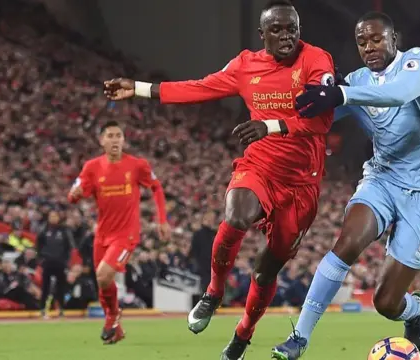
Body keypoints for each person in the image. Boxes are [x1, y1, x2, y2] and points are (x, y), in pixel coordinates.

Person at [103, 1, 335, 358]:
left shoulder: (317, 60)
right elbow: (198, 87)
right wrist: (137, 87)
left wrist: (270, 125)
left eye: (292, 29)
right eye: (277, 30)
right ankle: (213, 291)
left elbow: (321, 121)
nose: (287, 36)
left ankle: (242, 335)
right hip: (260, 166)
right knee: (237, 213)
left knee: (263, 274)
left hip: (302, 183)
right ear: (262, 35)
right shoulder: (246, 65)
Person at [271, 11, 420, 360]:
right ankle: (299, 339)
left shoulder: (417, 63)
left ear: (393, 39)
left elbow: (399, 95)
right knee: (347, 243)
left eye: (376, 38)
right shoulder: (354, 81)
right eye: (362, 41)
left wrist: (342, 94)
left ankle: (414, 310)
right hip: (382, 179)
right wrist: (270, 122)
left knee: (385, 302)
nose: (369, 46)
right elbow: (315, 116)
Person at [68, 120, 170, 345]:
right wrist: (74, 194)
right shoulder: (92, 167)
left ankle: (112, 316)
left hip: (127, 234)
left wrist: (162, 220)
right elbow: (76, 194)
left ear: (124, 140)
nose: (115, 140)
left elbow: (156, 187)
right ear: (101, 140)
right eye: (110, 136)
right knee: (102, 281)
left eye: (118, 136)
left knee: (104, 274)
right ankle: (116, 328)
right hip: (102, 234)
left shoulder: (136, 165)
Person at [37, 210, 73, 318]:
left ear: (58, 217)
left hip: (60, 263)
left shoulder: (64, 231)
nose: (53, 218)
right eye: (51, 216)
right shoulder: (43, 229)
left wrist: (66, 261)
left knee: (60, 288)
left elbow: (69, 247)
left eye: (55, 216)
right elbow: (38, 246)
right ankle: (43, 309)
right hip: (47, 263)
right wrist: (41, 259)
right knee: (45, 288)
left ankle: (61, 309)